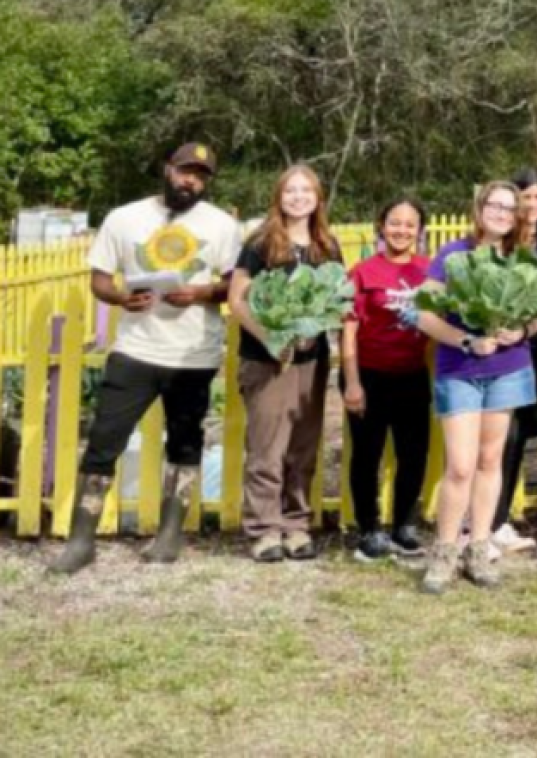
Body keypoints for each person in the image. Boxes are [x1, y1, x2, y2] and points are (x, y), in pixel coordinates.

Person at [49, 143, 241, 575]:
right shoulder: (124, 218)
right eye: (184, 171)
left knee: (186, 441)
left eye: (200, 175)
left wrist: (199, 292)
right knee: (104, 440)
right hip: (135, 348)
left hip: (195, 353)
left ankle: (170, 534)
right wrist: (121, 297)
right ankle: (82, 540)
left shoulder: (222, 226)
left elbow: (233, 286)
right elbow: (100, 278)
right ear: (166, 169)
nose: (190, 181)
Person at [413, 182, 537, 593]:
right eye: (494, 205)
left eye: (508, 207)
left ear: (516, 215)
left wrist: (519, 328)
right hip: (460, 365)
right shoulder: (452, 255)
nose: (500, 213)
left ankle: (479, 549)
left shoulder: (522, 259)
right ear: (479, 209)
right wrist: (467, 340)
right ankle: (445, 550)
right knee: (460, 466)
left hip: (508, 367)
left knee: (490, 461)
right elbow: (424, 316)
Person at [230, 165, 343, 564]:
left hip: (312, 360)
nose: (298, 197)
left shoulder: (326, 245)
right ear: (279, 198)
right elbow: (238, 300)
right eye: (290, 191)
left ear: (318, 197)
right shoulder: (261, 243)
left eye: (306, 190)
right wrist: (271, 339)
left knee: (303, 448)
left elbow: (336, 300)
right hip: (267, 361)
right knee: (267, 448)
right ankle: (264, 530)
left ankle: (296, 525)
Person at [341, 198, 433, 562]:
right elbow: (348, 332)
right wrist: (352, 382)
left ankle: (404, 525)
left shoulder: (429, 271)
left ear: (419, 230)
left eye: (410, 225)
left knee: (414, 454)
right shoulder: (362, 272)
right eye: (395, 223)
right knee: (367, 456)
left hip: (412, 375)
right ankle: (369, 528)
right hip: (369, 375)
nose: (402, 230)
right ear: (381, 225)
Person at [489, 167, 537, 557]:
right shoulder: (502, 241)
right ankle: (490, 520)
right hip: (498, 348)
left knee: (518, 434)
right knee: (499, 435)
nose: (533, 204)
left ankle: (498, 518)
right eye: (526, 197)